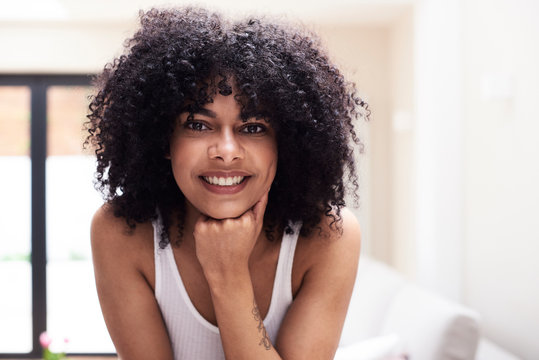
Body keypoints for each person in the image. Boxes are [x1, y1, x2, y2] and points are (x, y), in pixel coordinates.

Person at [86, 6, 368, 360]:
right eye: (198, 125)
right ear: (163, 140)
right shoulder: (120, 233)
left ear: (287, 145)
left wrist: (228, 276)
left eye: (253, 128)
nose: (226, 152)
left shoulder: (329, 236)